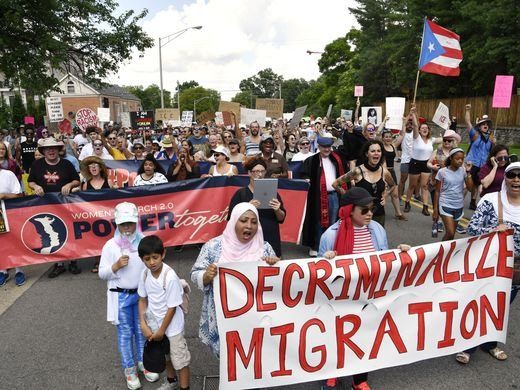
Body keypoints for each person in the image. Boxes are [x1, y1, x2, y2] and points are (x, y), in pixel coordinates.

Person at [318, 187, 410, 390]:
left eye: (372, 209)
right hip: (341, 298)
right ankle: (331, 375)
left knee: (365, 337)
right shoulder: (330, 236)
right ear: (350, 210)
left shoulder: (377, 229)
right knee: (337, 336)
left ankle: (359, 380)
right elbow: (317, 273)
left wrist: (401, 253)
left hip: (369, 296)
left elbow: (384, 260)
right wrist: (326, 261)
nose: (370, 213)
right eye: (365, 210)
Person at [190, 202, 279, 358]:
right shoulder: (213, 247)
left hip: (255, 318)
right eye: (243, 220)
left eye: (253, 222)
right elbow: (195, 274)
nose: (249, 226)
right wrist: (206, 276)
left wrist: (275, 265)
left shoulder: (264, 248)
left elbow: (278, 282)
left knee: (254, 356)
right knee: (228, 359)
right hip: (223, 318)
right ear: (233, 221)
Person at [455, 162, 520, 364]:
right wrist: (492, 230)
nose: (516, 180)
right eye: (511, 175)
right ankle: (468, 346)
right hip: (489, 264)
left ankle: (490, 344)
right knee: (481, 303)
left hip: (515, 268)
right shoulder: (491, 200)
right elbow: (472, 229)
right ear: (505, 178)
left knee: (501, 307)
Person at [98, 202, 160, 389]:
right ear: (117, 224)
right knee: (125, 334)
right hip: (121, 296)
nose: (127, 228)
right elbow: (102, 273)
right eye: (123, 224)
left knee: (143, 330)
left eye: (130, 223)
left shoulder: (144, 242)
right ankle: (130, 369)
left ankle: (145, 364)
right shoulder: (110, 246)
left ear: (136, 222)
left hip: (141, 296)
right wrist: (115, 266)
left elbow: (152, 268)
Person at [137, 235, 190, 390]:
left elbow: (172, 308)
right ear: (142, 259)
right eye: (147, 259)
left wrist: (161, 331)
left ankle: (185, 387)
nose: (152, 262)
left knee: (180, 360)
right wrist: (143, 324)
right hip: (155, 324)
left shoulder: (170, 277)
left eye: (155, 257)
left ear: (163, 254)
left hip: (172, 327)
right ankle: (171, 381)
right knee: (165, 356)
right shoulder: (145, 274)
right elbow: (142, 299)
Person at [28, 137, 81, 278]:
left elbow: (77, 180)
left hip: (66, 204)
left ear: (58, 150)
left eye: (53, 148)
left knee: (70, 231)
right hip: (46, 205)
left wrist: (70, 185)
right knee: (53, 233)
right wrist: (36, 186)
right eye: (48, 148)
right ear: (43, 151)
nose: (51, 151)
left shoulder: (67, 164)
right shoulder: (37, 165)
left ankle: (73, 261)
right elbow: (31, 181)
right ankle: (58, 264)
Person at [228, 157, 286, 257]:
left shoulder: (272, 193)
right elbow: (231, 219)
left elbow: (281, 218)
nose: (259, 174)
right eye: (256, 171)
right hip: (248, 239)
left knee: (272, 268)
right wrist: (248, 207)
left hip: (270, 237)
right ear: (249, 173)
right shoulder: (241, 193)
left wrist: (277, 210)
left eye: (262, 171)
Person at [300, 136, 346, 257]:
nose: (327, 149)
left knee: (333, 222)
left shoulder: (336, 158)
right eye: (324, 147)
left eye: (329, 147)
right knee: (318, 222)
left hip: (334, 195)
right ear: (319, 147)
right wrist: (306, 179)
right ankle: (316, 246)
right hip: (317, 197)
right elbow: (303, 174)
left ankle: (330, 246)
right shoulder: (311, 160)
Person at [333, 140, 396, 226]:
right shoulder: (357, 171)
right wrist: (348, 196)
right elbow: (335, 184)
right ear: (367, 154)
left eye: (379, 151)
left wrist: (385, 195)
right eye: (373, 151)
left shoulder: (384, 172)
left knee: (377, 238)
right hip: (360, 215)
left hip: (379, 214)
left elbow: (393, 185)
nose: (376, 153)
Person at [404, 107, 441, 215]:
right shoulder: (416, 137)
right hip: (415, 163)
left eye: (426, 128)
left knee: (424, 186)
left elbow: (446, 139)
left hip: (426, 164)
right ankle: (407, 203)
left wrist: (448, 127)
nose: (424, 129)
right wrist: (414, 114)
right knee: (412, 185)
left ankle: (425, 207)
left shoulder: (431, 140)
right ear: (419, 130)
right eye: (422, 128)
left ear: (429, 130)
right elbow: (415, 125)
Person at [432, 148, 473, 241]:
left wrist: (468, 172)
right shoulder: (442, 172)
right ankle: (441, 252)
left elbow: (470, 188)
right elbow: (437, 191)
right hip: (445, 204)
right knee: (450, 232)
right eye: (457, 158)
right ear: (451, 158)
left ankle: (446, 253)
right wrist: (435, 209)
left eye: (462, 159)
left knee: (452, 235)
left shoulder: (463, 171)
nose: (460, 161)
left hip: (458, 206)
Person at [465, 104, 495, 210]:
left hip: (482, 165)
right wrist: (468, 110)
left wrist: (494, 144)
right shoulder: (475, 134)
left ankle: (473, 202)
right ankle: (459, 202)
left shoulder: (491, 139)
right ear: (479, 126)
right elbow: (468, 122)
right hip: (471, 163)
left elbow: (493, 152)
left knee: (477, 185)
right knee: (466, 184)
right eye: (483, 124)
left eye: (487, 124)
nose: (485, 125)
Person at [0, 168, 24, 286]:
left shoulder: (8, 174)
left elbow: (19, 194)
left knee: (13, 242)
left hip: (8, 212)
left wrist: (4, 195)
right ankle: (2, 271)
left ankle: (19, 270)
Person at [381, 128, 406, 220]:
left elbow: (402, 135)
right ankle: (378, 213)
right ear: (383, 138)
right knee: (382, 193)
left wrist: (404, 122)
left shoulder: (393, 146)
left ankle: (398, 213)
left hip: (392, 171)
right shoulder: (380, 147)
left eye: (389, 137)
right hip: (383, 172)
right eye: (386, 137)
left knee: (394, 194)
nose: (388, 138)